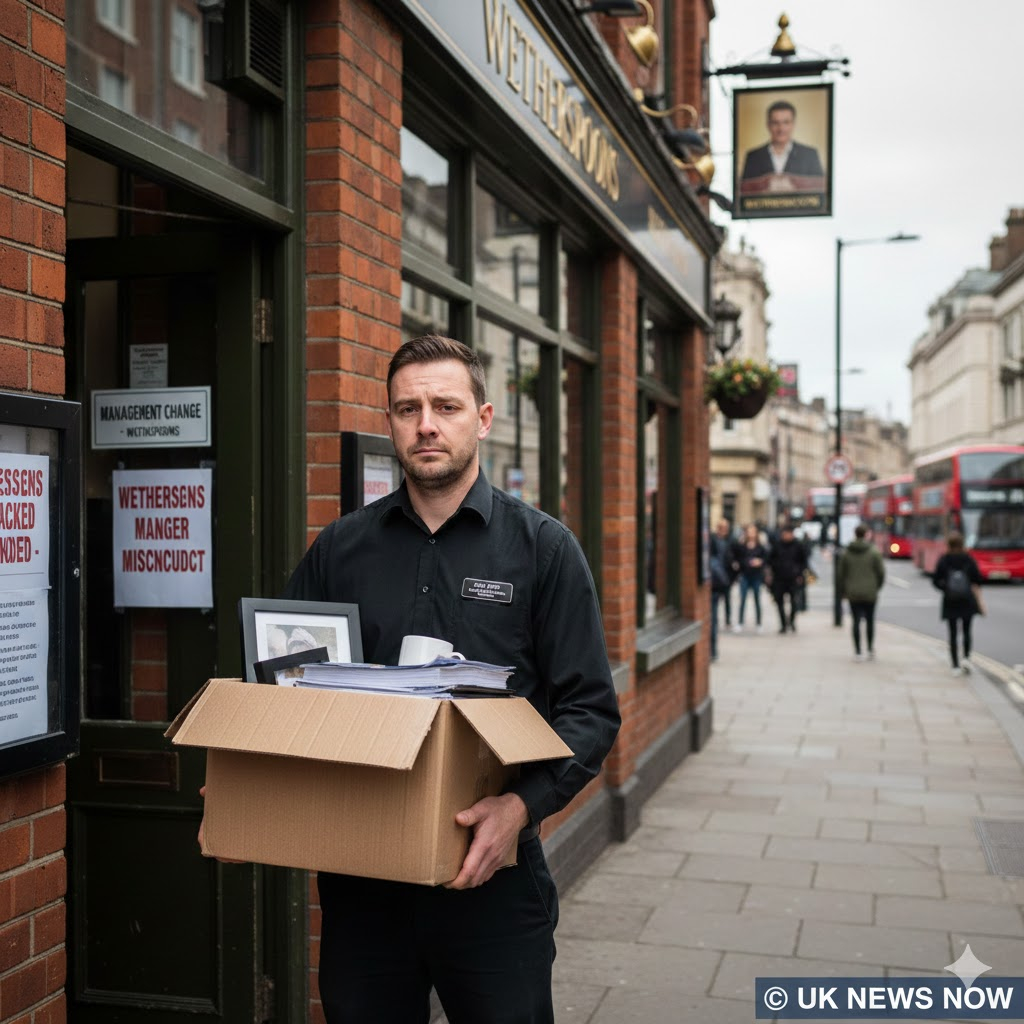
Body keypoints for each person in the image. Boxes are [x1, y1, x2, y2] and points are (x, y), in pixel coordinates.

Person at [257, 334, 619, 1023]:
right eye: (407, 408)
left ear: (483, 418)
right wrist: (259, 770)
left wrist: (519, 808)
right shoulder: (339, 549)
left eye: (445, 406)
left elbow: (590, 711)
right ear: (388, 420)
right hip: (363, 881)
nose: (426, 424)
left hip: (493, 877)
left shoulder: (543, 549)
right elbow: (289, 692)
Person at [739, 100, 825, 196]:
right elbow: (744, 194)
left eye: (786, 122)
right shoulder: (753, 156)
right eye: (776, 123)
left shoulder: (810, 155)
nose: (781, 129)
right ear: (768, 125)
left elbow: (820, 194)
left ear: (793, 124)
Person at [933, 532, 984, 676]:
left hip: (950, 601)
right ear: (962, 544)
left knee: (953, 633)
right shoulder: (968, 559)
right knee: (967, 631)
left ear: (949, 544)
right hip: (967, 600)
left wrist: (946, 589)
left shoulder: (944, 559)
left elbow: (935, 580)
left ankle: (955, 665)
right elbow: (978, 579)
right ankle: (966, 659)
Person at [837, 524, 885, 661]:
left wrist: (843, 590)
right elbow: (881, 573)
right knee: (870, 621)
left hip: (853, 592)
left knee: (856, 621)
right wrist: (876, 587)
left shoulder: (847, 552)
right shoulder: (874, 552)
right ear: (866, 534)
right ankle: (870, 649)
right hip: (870, 592)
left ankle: (858, 651)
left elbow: (841, 574)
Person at [767, 521, 808, 634]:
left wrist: (799, 574)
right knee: (779, 602)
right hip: (779, 578)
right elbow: (770, 560)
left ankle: (792, 621)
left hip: (793, 578)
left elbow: (803, 562)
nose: (787, 536)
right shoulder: (777, 545)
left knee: (794, 602)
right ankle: (783, 624)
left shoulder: (798, 545)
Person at [735, 523, 768, 632]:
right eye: (749, 531)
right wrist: (746, 562)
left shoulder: (760, 547)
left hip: (756, 576)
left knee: (757, 599)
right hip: (745, 575)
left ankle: (759, 623)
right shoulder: (742, 546)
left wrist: (760, 562)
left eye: (753, 531)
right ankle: (740, 622)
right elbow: (738, 559)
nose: (751, 534)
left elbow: (766, 560)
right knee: (743, 599)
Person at [710, 518, 738, 633]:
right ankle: (714, 620)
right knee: (714, 601)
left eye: (725, 527)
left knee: (727, 599)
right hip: (715, 575)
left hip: (727, 574)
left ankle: (727, 619)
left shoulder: (731, 540)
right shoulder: (713, 539)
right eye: (721, 527)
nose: (723, 529)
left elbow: (736, 555)